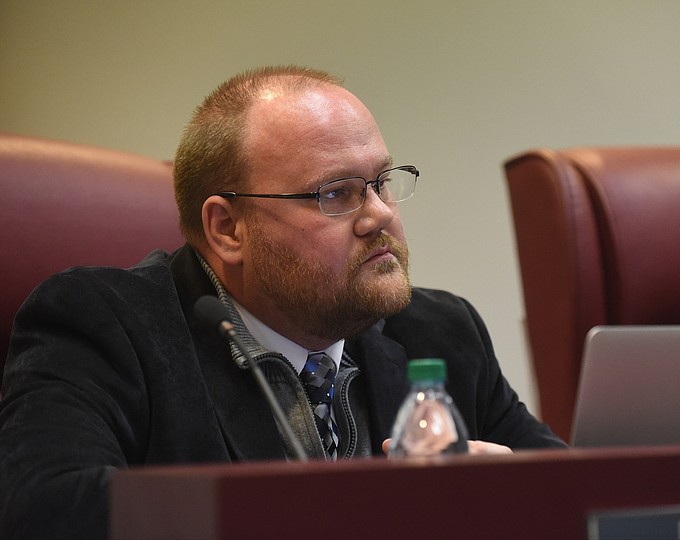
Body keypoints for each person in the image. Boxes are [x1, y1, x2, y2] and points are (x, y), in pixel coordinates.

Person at [0, 65, 566, 539]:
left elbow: (584, 498)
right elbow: (49, 511)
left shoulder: (441, 330)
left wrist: (520, 494)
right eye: (335, 194)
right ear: (227, 229)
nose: (379, 216)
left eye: (383, 181)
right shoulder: (104, 325)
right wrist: (371, 509)